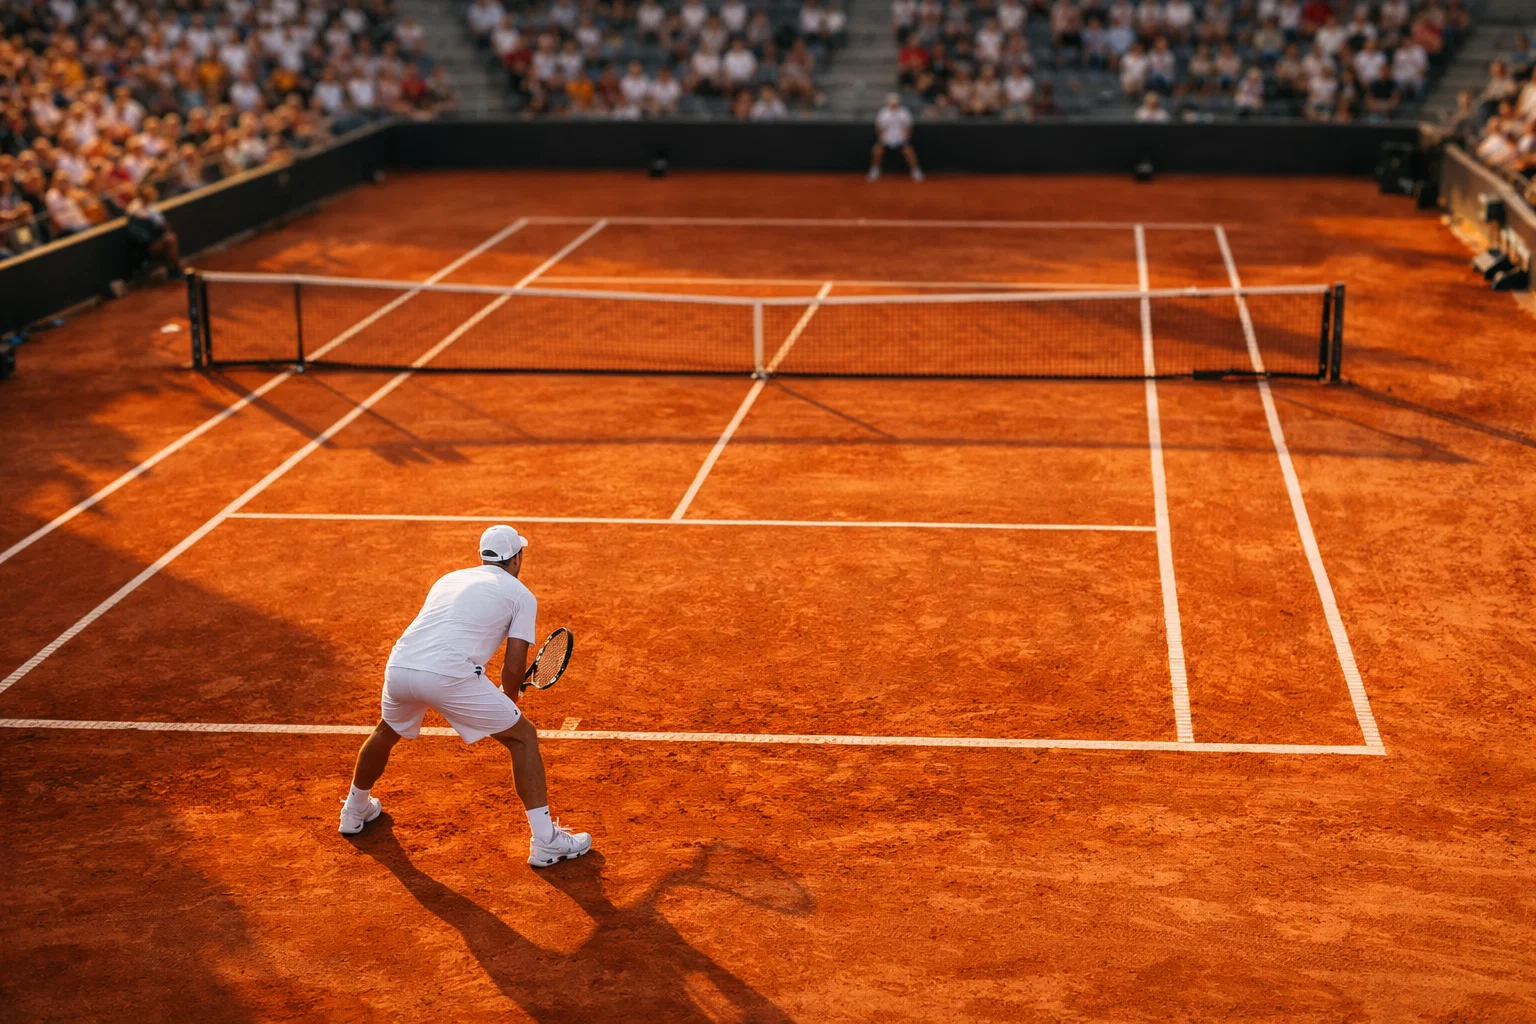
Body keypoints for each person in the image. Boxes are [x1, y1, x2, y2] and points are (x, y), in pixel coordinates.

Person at [338, 525, 592, 869]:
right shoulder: (520, 595)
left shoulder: (448, 579)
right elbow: (513, 663)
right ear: (517, 558)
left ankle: (354, 811)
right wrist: (511, 697)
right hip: (449, 674)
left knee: (386, 731)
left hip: (400, 665)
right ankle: (546, 841)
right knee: (523, 738)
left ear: (483, 557)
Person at [868, 93, 923, 181]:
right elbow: (879, 130)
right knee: (876, 151)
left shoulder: (904, 113)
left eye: (895, 103)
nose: (893, 104)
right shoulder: (883, 113)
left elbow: (908, 128)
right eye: (892, 102)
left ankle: (916, 171)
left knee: (909, 151)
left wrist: (905, 139)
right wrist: (882, 139)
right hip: (886, 140)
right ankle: (875, 170)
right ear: (888, 103)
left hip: (901, 139)